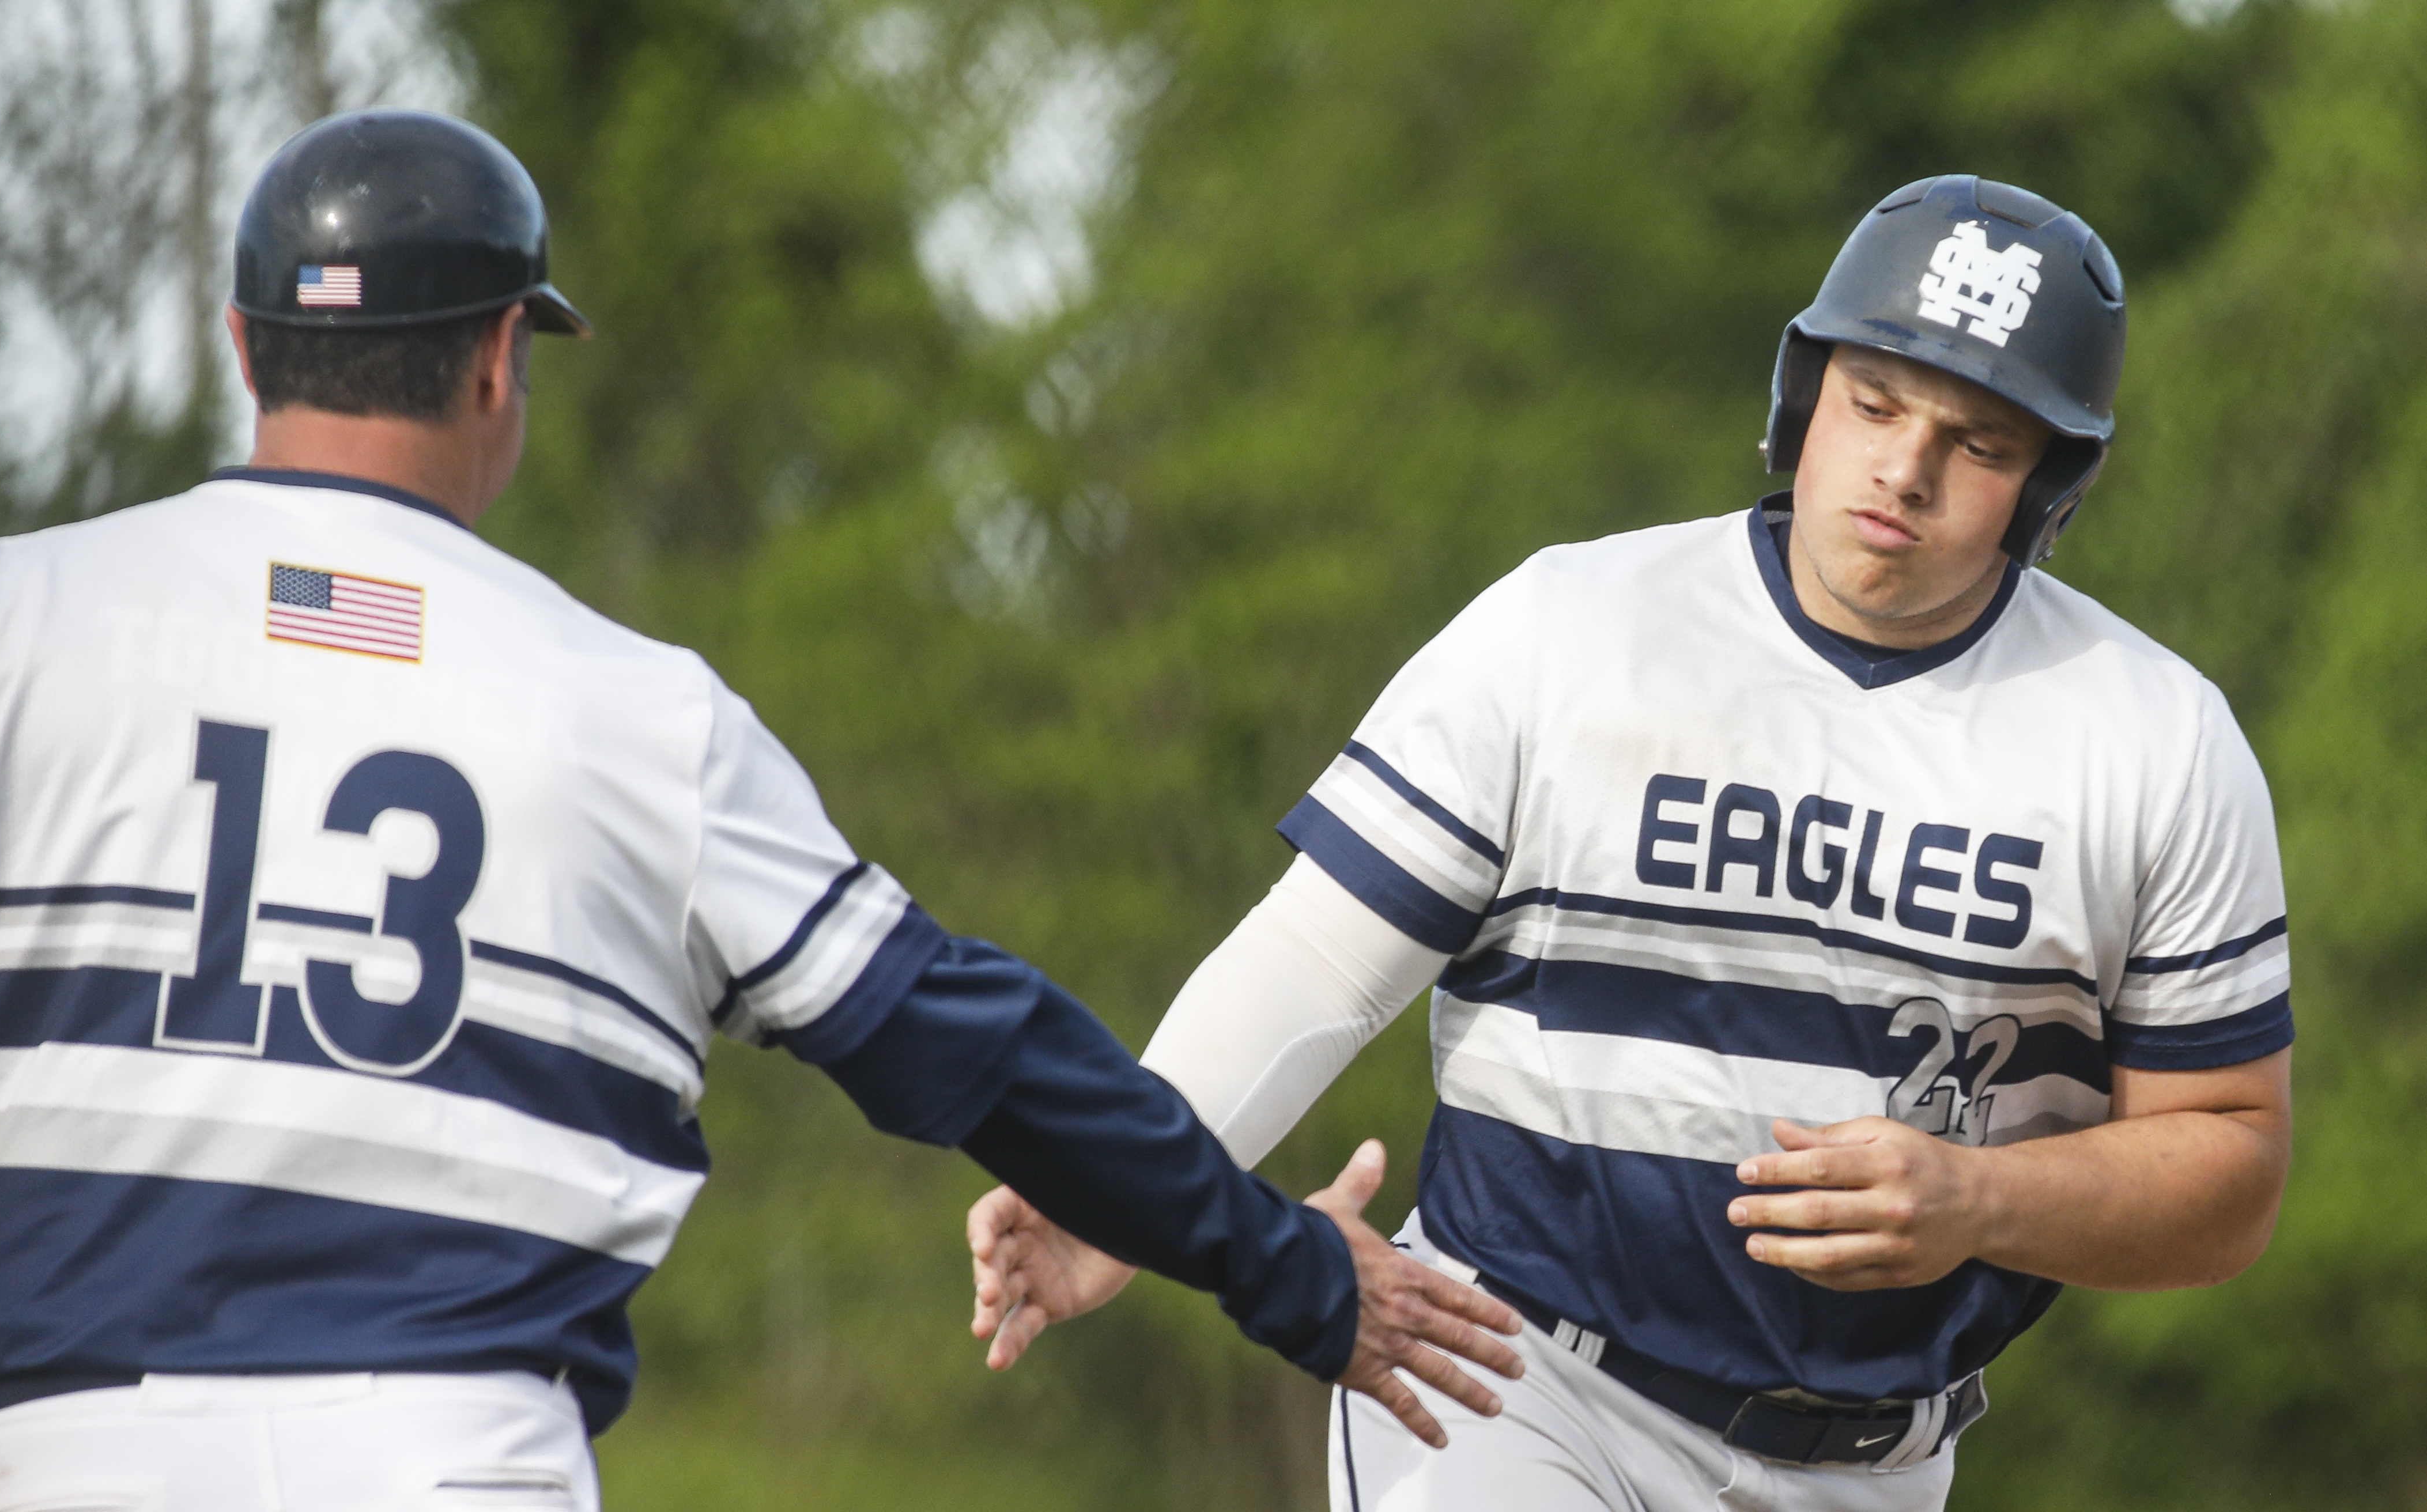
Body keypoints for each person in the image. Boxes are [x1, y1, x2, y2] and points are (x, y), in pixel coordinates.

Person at [0, 109, 1523, 1511]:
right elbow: (982, 1048)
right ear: (494, 360)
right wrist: (1290, 1274)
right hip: (453, 1457)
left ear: (246, 347)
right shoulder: (635, 710)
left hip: (57, 1452)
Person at [967, 174, 2294, 1510]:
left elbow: (2229, 1164)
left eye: (1981, 441)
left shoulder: (2154, 739)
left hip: (1879, 1460)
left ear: (2048, 483)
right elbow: (1318, 958)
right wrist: (1122, 1185)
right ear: (1805, 392)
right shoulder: (1572, 625)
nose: (1905, 468)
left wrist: (1979, 1199)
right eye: (1874, 403)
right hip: (1507, 1376)